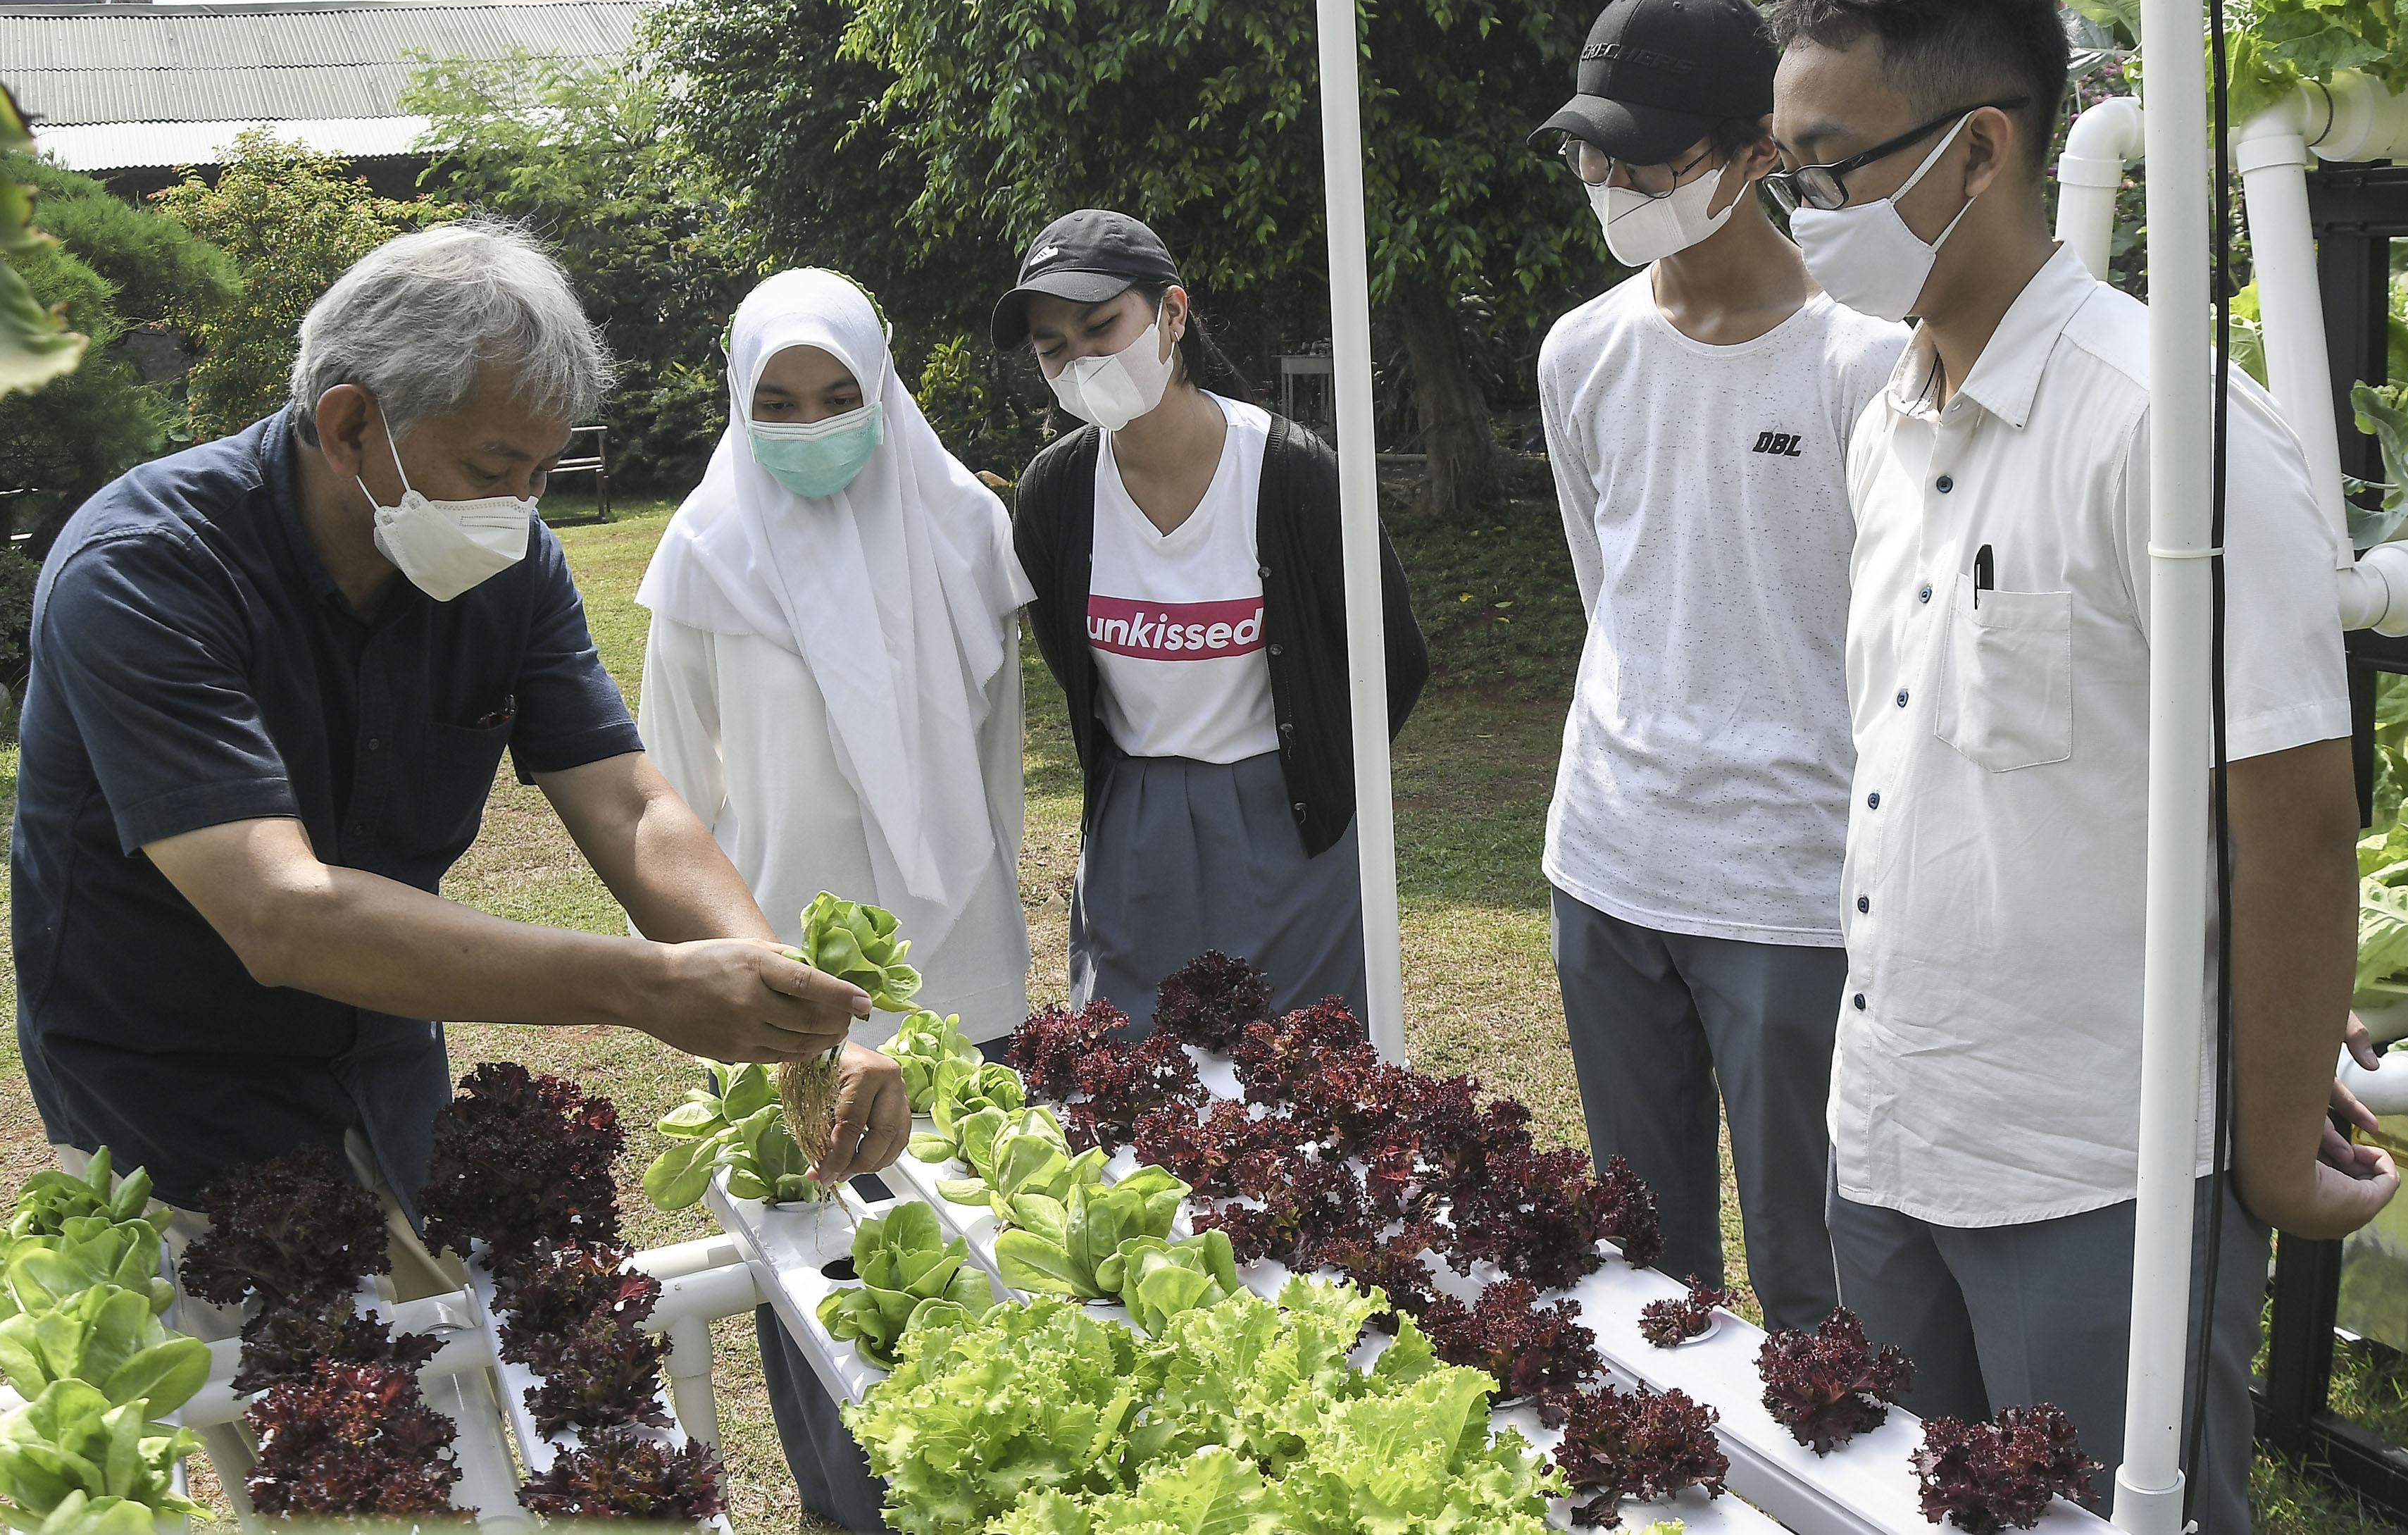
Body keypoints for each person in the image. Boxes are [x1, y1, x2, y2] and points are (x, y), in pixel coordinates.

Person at [1767, 0, 2399, 1534]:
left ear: (1977, 149)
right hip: (1895, 1130)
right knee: (1915, 1508)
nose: (1797, 214)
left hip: (2098, 1172)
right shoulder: (1886, 421)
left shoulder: (2162, 428)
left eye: (1825, 167)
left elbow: (2296, 818)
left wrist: (2265, 1151)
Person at [10, 220, 906, 1226]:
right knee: (262, 1362)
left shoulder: (509, 569)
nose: (519, 507)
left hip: (388, 1047)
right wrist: (645, 985)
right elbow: (279, 910)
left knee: (433, 1350)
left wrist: (789, 1010)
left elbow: (628, 804)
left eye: (540, 474)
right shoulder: (143, 571)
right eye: (491, 469)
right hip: (171, 1089)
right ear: (352, 426)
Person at [1530, 0, 1902, 1331]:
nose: (1610, 177)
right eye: (1593, 148)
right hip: (1611, 857)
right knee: (1642, 1259)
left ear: (1758, 155)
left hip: (1793, 888)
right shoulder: (1581, 354)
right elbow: (1609, 589)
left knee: (1817, 1274)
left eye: (1647, 156)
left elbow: (1889, 647)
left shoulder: (1863, 366)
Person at [637, 266, 1029, 1531]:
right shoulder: (703, 553)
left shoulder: (964, 527)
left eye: (838, 394)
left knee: (987, 1260)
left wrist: (989, 948)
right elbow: (668, 794)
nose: (811, 423)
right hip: (786, 994)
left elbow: (995, 767)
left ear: (885, 381)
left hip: (961, 966)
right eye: (780, 399)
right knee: (822, 1290)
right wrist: (737, 979)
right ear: (739, 398)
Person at [998, 209, 1427, 1037]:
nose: (1082, 360)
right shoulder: (1053, 493)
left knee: (1299, 1078)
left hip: (1287, 817)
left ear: (1172, 315)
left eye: (1099, 326)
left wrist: (1319, 774)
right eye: (1054, 348)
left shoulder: (1291, 471)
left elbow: (1392, 660)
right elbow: (1069, 658)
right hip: (1135, 817)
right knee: (1130, 1073)